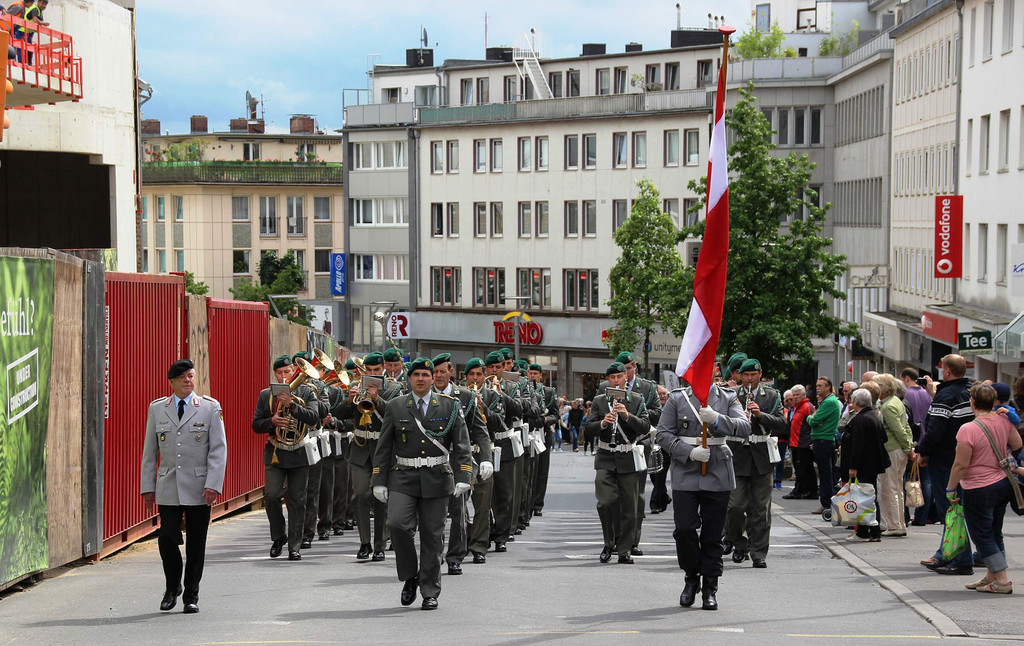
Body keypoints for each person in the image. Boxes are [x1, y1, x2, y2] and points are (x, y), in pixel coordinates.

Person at [372, 357, 473, 610]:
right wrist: (379, 480)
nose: (421, 379)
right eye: (416, 374)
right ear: (409, 379)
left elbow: (462, 445)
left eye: (425, 375)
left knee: (432, 536)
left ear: (433, 378)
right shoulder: (395, 406)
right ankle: (410, 575)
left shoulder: (450, 406)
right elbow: (384, 447)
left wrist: (464, 477)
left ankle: (430, 590)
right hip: (403, 476)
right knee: (397, 524)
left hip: (437, 478)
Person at [657, 374, 751, 611]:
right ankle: (691, 578)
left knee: (712, 533)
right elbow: (663, 434)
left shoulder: (727, 398)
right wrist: (688, 452)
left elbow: (744, 428)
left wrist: (717, 419)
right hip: (686, 470)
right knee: (685, 529)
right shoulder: (677, 399)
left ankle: (710, 586)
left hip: (717, 468)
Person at [140, 359, 227, 614]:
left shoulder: (210, 408)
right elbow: (149, 452)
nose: (188, 380)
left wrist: (213, 484)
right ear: (172, 382)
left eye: (191, 376)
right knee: (167, 538)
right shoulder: (158, 409)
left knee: (196, 543)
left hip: (200, 486)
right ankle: (172, 587)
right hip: (168, 485)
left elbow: (218, 450)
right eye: (182, 377)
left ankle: (191, 595)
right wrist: (147, 487)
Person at [946, 383, 1024, 593]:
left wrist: (951, 488)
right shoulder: (1004, 420)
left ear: (972, 402)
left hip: (978, 487)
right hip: (1002, 483)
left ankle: (1002, 580)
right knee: (995, 531)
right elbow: (1017, 444)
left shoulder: (968, 429)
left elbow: (960, 464)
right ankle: (992, 576)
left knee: (982, 535)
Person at [333, 351, 403, 561]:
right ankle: (365, 542)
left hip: (383, 450)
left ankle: (380, 544)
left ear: (383, 369)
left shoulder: (394, 389)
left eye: (376, 370)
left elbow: (396, 415)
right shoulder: (356, 386)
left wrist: (376, 399)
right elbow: (338, 414)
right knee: (361, 494)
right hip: (360, 449)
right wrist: (349, 401)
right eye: (369, 370)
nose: (372, 373)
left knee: (380, 497)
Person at [252, 355, 322, 561]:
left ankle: (294, 546)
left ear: (294, 371)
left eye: (287, 372)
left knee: (297, 500)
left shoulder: (307, 392)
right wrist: (272, 422)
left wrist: (292, 406)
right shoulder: (266, 395)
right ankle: (278, 536)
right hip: (276, 451)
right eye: (279, 373)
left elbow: (314, 418)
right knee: (272, 496)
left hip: (299, 453)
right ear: (274, 374)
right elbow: (256, 425)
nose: (284, 376)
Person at [431, 352, 492, 576]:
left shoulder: (465, 396)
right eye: (434, 372)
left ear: (451, 372)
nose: (438, 376)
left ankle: (455, 557)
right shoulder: (423, 395)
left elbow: (480, 430)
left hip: (458, 462)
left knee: (458, 512)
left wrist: (486, 458)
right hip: (432, 462)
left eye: (442, 371)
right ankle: (434, 555)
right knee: (433, 514)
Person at [723, 359, 786, 567]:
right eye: (746, 375)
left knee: (760, 509)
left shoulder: (772, 395)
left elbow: (781, 423)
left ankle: (758, 553)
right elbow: (720, 422)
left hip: (761, 457)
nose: (750, 379)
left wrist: (760, 415)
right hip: (737, 455)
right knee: (735, 507)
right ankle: (739, 543)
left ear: (760, 375)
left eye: (753, 375)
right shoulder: (731, 395)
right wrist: (737, 419)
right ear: (740, 376)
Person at [587, 362, 651, 564]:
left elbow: (645, 427)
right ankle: (609, 543)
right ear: (608, 380)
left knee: (630, 508)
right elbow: (588, 429)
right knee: (606, 502)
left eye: (619, 377)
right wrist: (603, 423)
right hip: (605, 456)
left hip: (627, 457)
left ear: (626, 377)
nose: (616, 381)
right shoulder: (599, 401)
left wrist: (626, 415)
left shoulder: (637, 399)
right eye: (612, 378)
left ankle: (624, 550)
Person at [484, 351, 524, 553]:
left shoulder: (511, 387)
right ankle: (487, 530)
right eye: (491, 367)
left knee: (505, 493)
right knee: (485, 493)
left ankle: (502, 535)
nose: (494, 371)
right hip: (485, 443)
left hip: (504, 443)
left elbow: (519, 409)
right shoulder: (479, 388)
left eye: (498, 367)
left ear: (503, 368)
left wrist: (502, 394)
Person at [293, 351, 330, 550]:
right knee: (294, 492)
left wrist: (312, 394)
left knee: (312, 490)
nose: (301, 371)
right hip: (291, 442)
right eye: (298, 367)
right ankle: (295, 531)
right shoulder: (287, 387)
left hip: (311, 441)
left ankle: (307, 533)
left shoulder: (319, 386)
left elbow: (324, 410)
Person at [841, 388, 889, 541]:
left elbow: (857, 445)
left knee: (862, 497)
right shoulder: (874, 416)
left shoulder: (860, 419)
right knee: (870, 496)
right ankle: (874, 530)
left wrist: (853, 466)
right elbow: (884, 438)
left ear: (855, 402)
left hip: (863, 464)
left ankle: (864, 531)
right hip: (873, 463)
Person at [873, 374, 913, 537]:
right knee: (896, 488)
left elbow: (898, 430)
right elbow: (906, 427)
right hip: (898, 450)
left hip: (891, 450)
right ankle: (898, 523)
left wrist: (908, 447)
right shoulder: (896, 401)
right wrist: (908, 446)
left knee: (889, 489)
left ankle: (894, 524)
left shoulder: (888, 406)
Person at [808, 377, 841, 515]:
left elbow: (813, 420)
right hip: (821, 439)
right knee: (826, 472)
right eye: (817, 385)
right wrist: (813, 418)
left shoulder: (829, 402)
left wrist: (812, 418)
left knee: (825, 473)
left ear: (828, 387)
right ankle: (827, 502)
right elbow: (815, 420)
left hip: (824, 440)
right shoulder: (826, 401)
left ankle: (826, 503)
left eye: (820, 386)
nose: (817, 388)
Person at [783, 385, 816, 500]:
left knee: (803, 468)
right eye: (794, 395)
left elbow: (812, 424)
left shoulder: (806, 406)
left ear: (803, 395)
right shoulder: (797, 407)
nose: (795, 397)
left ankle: (801, 490)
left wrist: (811, 441)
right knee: (802, 468)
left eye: (797, 395)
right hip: (796, 442)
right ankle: (806, 490)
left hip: (803, 442)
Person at [650, 385, 673, 513]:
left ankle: (655, 504)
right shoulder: (653, 409)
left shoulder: (671, 408)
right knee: (654, 476)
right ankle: (664, 497)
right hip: (653, 446)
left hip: (665, 447)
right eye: (660, 394)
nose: (662, 396)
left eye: (664, 394)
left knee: (660, 476)